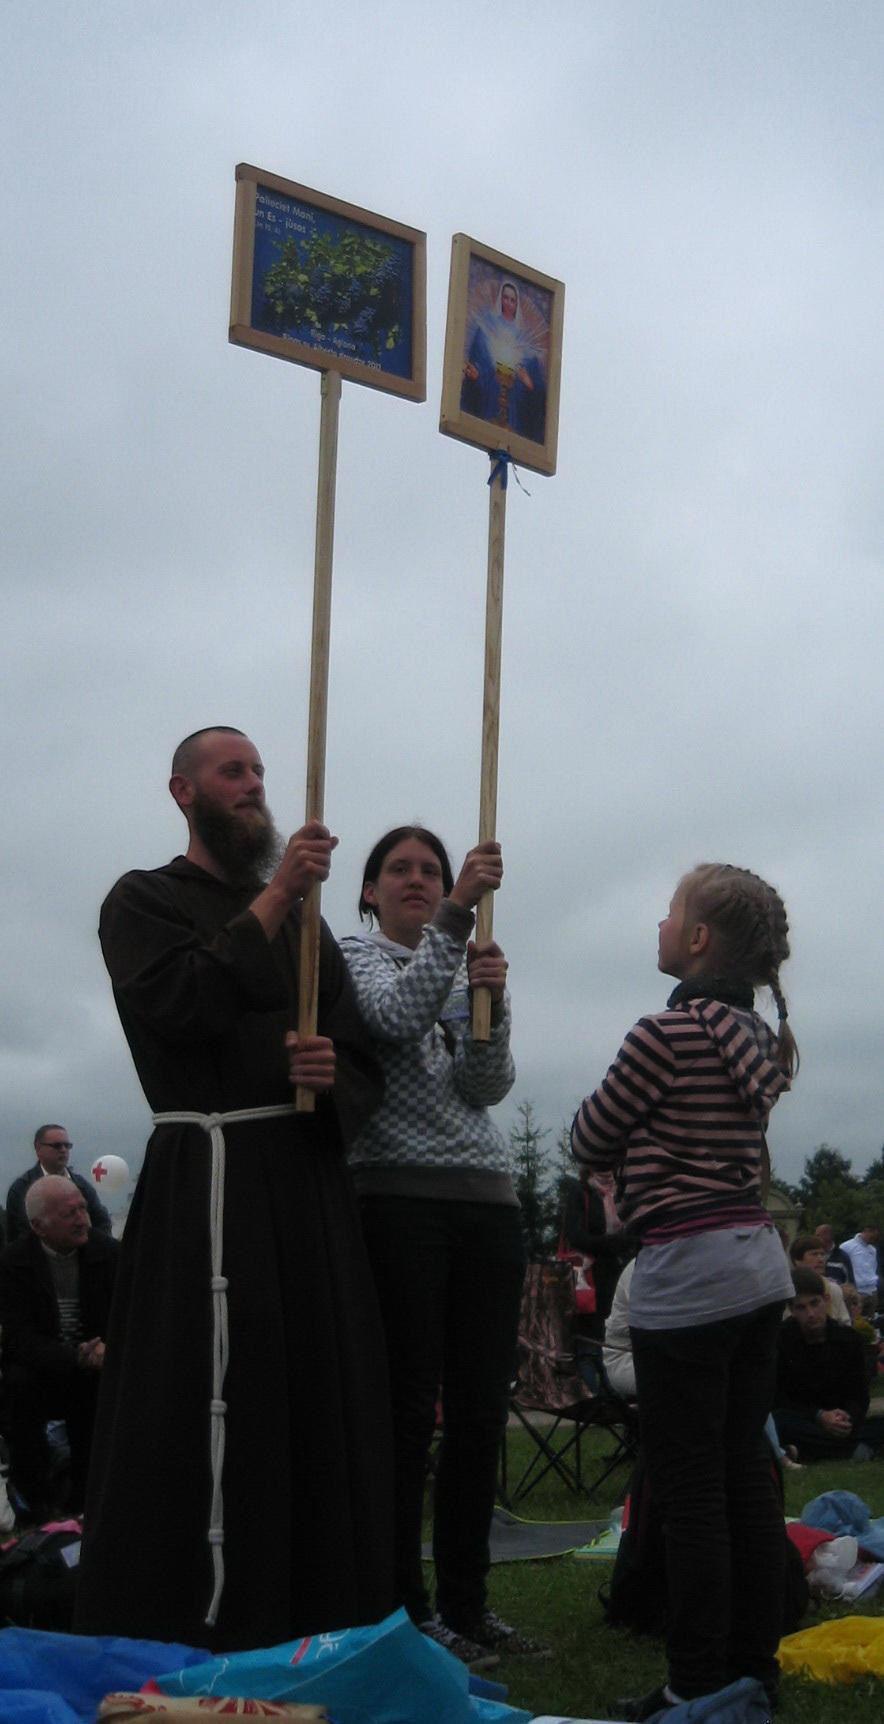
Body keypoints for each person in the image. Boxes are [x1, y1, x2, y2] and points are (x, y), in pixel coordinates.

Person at [74, 727, 394, 1652]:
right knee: (216, 1397)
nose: (255, 787)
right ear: (184, 791)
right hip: (206, 1191)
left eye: (259, 772)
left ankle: (320, 1608)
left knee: (312, 1398)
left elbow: (357, 1047)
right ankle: (203, 1610)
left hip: (305, 1188)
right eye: (233, 772)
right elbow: (178, 1006)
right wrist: (282, 890)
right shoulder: (143, 900)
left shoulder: (307, 930)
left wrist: (333, 1069)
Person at [571, 862, 797, 1718]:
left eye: (670, 914)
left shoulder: (660, 1036)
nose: (658, 925)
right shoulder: (755, 1043)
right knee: (746, 1479)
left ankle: (694, 1684)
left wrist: (620, 1159)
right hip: (757, 1267)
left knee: (691, 1490)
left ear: (697, 940)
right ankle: (755, 1673)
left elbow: (591, 1130)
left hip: (686, 1278)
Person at [339, 825, 536, 1666]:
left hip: (486, 1200)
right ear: (371, 889)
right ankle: (404, 1606)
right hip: (398, 1198)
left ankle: (469, 1602)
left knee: (481, 1414)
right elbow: (388, 1024)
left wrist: (492, 1012)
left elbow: (484, 1088)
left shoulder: (460, 965)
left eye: (433, 871)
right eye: (401, 870)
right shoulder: (354, 957)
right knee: (409, 1410)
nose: (419, 881)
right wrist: (457, 920)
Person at [0, 1176, 119, 1518]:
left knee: (100, 1395)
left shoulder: (108, 1254)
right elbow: (21, 1338)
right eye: (70, 1213)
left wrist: (104, 1350)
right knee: (20, 1389)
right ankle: (36, 1500)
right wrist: (74, 1356)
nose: (83, 1219)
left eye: (83, 1208)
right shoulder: (14, 1262)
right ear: (39, 1226)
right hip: (44, 1368)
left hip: (95, 1365)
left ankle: (89, 1499)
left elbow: (125, 1316)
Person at [773, 1268, 884, 1460]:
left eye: (814, 1303)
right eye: (801, 1307)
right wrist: (819, 1416)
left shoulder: (848, 1339)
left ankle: (804, 1451)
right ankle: (851, 1450)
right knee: (777, 1423)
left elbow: (859, 1395)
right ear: (792, 1310)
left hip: (842, 1419)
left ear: (826, 1299)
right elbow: (779, 1398)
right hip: (805, 1418)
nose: (810, 1313)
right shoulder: (781, 1341)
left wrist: (845, 1419)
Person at [460, 279, 547, 442]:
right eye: (505, 298)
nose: (508, 303)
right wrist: (478, 374)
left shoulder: (523, 335)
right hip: (490, 387)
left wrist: (528, 383)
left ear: (517, 304)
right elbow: (480, 360)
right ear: (500, 299)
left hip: (514, 393)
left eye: (512, 300)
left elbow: (533, 381)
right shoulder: (486, 326)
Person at [6, 1125, 111, 1243]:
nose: (63, 1150)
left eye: (67, 1146)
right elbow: (19, 1235)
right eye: (57, 1146)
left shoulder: (82, 1186)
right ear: (38, 1148)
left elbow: (102, 1223)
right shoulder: (21, 1189)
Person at [788, 1234, 850, 1324]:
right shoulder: (788, 1290)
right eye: (814, 1254)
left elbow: (844, 1321)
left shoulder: (833, 1288)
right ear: (797, 1260)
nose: (821, 1259)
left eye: (822, 1254)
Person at [839, 1225, 881, 1316]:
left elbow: (873, 1267)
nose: (873, 1240)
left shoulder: (872, 1249)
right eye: (872, 1237)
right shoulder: (846, 1246)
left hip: (872, 1291)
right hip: (857, 1291)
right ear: (866, 1231)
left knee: (870, 1322)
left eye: (875, 1238)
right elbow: (841, 1267)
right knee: (855, 1320)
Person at [814, 1223, 854, 1287]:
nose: (815, 1238)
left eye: (818, 1235)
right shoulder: (813, 1255)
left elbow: (850, 1281)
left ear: (828, 1236)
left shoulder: (842, 1256)